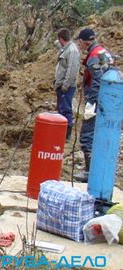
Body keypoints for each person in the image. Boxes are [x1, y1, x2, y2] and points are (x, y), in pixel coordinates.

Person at [74, 28, 113, 182]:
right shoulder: (102, 52)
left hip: (98, 101)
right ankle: (95, 171)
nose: (79, 44)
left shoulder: (93, 57)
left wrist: (92, 103)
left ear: (85, 41)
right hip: (109, 101)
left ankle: (90, 173)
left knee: (87, 135)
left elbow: (97, 81)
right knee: (99, 136)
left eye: (80, 42)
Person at [54, 28, 80, 142]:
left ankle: (67, 135)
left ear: (60, 38)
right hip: (60, 84)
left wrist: (65, 85)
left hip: (67, 86)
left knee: (65, 109)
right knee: (61, 108)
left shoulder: (72, 51)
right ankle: (60, 132)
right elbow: (57, 45)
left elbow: (72, 71)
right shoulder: (65, 48)